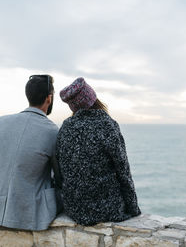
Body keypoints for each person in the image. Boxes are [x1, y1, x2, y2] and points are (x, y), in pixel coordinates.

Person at [0, 74, 61, 231]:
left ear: (28, 95)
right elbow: (60, 177)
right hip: (33, 215)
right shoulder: (53, 131)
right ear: (49, 98)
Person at [55, 77, 141, 226]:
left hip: (74, 209)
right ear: (93, 98)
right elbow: (123, 171)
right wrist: (133, 208)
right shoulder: (107, 125)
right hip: (107, 208)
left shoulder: (66, 127)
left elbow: (60, 170)